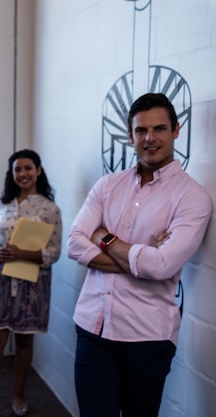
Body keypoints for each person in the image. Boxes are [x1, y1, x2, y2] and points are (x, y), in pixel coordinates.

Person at [67, 93, 212, 417]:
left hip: (148, 339)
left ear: (176, 130)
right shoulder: (107, 186)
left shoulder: (192, 198)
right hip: (93, 330)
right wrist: (141, 260)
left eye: (159, 128)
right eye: (141, 130)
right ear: (131, 135)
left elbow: (162, 265)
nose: (150, 138)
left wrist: (104, 237)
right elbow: (75, 244)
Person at [0, 149, 62, 416]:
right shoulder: (3, 205)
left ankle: (18, 393)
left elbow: (54, 252)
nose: (23, 174)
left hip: (33, 285)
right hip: (3, 281)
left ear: (38, 171)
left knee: (23, 342)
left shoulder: (49, 209)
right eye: (18, 169)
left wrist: (23, 253)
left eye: (28, 168)